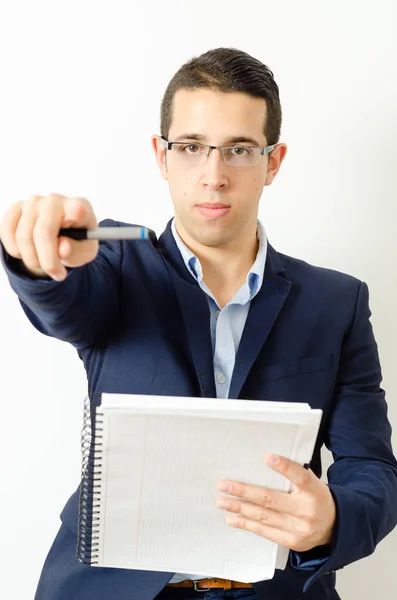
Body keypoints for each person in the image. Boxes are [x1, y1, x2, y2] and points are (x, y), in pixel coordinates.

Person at [1, 47, 396, 600]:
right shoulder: (112, 267)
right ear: (161, 157)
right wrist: (35, 261)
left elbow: (372, 467)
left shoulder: (336, 303)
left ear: (273, 162)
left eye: (238, 150)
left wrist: (333, 520)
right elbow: (64, 303)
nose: (214, 176)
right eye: (191, 148)